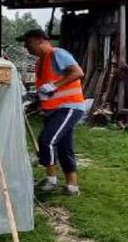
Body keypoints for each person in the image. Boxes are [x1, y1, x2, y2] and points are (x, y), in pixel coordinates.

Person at [22, 28, 87, 195]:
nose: (25, 47)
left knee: (47, 140)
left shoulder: (57, 54)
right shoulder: (40, 62)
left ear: (40, 40)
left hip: (69, 106)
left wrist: (54, 86)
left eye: (28, 42)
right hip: (54, 109)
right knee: (65, 147)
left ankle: (51, 180)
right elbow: (46, 87)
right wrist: (34, 97)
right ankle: (72, 187)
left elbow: (78, 72)